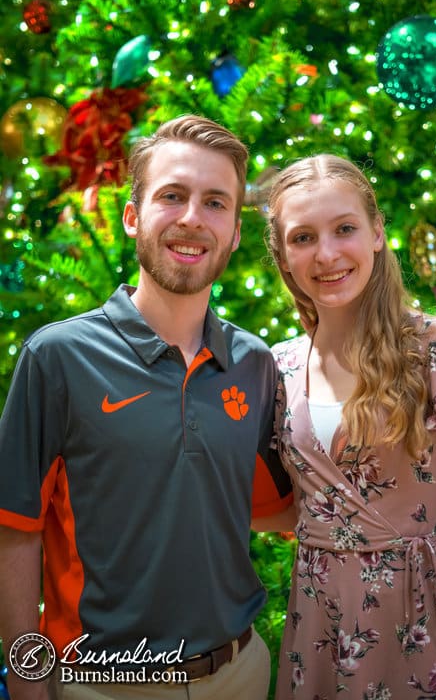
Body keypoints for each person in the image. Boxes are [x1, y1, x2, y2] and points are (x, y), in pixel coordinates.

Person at [0, 114, 293, 700]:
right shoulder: (57, 357)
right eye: (172, 196)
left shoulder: (255, 364)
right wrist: (28, 684)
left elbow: (272, 511)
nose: (192, 218)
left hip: (238, 674)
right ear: (133, 216)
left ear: (235, 231)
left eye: (215, 203)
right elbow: (15, 533)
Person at [265, 153, 436, 699]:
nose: (327, 254)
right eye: (303, 237)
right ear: (283, 256)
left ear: (378, 233)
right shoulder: (277, 366)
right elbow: (288, 505)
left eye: (344, 229)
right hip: (316, 624)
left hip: (421, 622)